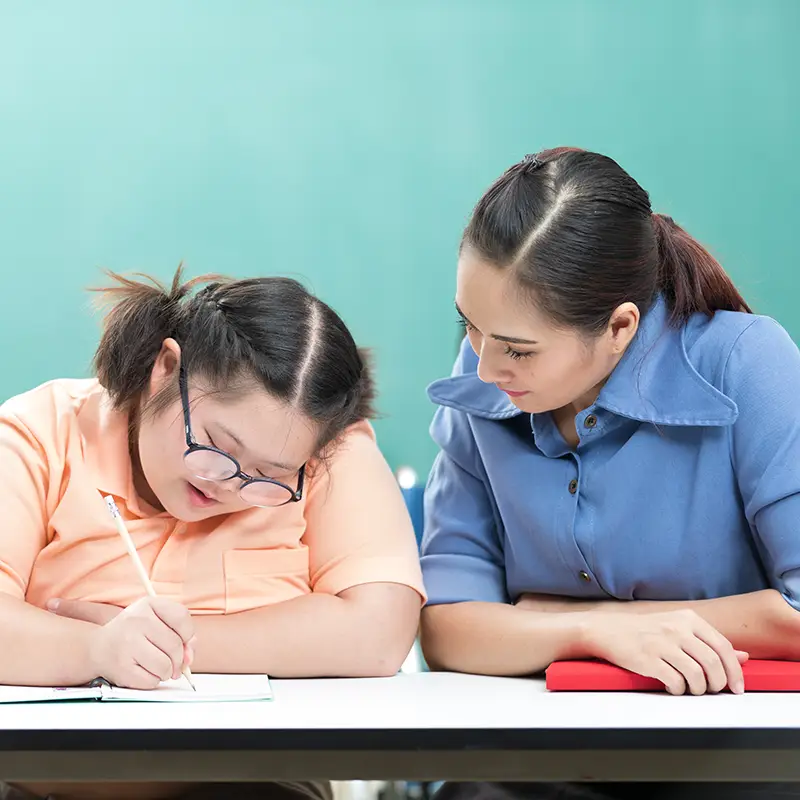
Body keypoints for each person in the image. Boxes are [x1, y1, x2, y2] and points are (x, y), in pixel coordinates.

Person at [420, 147, 800, 799]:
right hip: (542, 757)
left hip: (732, 757)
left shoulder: (747, 364)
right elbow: (449, 627)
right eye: (471, 326)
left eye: (517, 348)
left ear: (620, 326)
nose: (484, 367)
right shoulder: (486, 384)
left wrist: (543, 623)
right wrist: (597, 629)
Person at [0, 267, 424, 800]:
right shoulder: (39, 434)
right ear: (166, 368)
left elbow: (380, 634)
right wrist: (97, 648)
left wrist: (168, 648)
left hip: (258, 781)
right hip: (52, 786)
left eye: (269, 476)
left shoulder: (325, 450)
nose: (229, 484)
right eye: (217, 446)